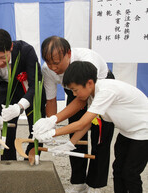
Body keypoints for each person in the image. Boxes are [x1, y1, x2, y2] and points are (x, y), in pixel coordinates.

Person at [33, 61, 148, 193]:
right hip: (127, 132)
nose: (75, 95)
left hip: (143, 132)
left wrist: (51, 133)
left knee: (130, 173)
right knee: (118, 169)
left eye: (75, 90)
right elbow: (88, 122)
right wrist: (71, 143)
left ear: (89, 83)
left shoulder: (105, 92)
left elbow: (81, 123)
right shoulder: (93, 93)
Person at [40, 36, 115, 192]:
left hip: (99, 89)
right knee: (74, 133)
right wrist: (49, 125)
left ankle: (96, 185)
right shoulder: (47, 69)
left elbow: (82, 100)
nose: (53, 67)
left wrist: (55, 121)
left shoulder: (87, 61)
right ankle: (78, 182)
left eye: (56, 62)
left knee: (99, 136)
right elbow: (51, 99)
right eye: (48, 62)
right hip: (75, 90)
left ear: (68, 53)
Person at [0, 28, 46, 160]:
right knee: (7, 132)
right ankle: (8, 164)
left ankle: (31, 159)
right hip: (7, 92)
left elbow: (36, 84)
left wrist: (20, 106)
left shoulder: (26, 51)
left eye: (3, 57)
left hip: (30, 92)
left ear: (10, 47)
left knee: (37, 129)